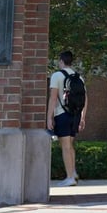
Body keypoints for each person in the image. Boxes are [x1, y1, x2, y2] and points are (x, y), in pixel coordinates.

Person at [47, 50, 86, 187]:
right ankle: (73, 172)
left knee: (65, 146)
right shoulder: (79, 77)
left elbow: (53, 98)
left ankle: (69, 177)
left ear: (61, 61)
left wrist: (49, 117)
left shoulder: (56, 75)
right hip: (75, 115)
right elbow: (85, 99)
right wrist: (82, 117)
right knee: (70, 145)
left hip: (61, 114)